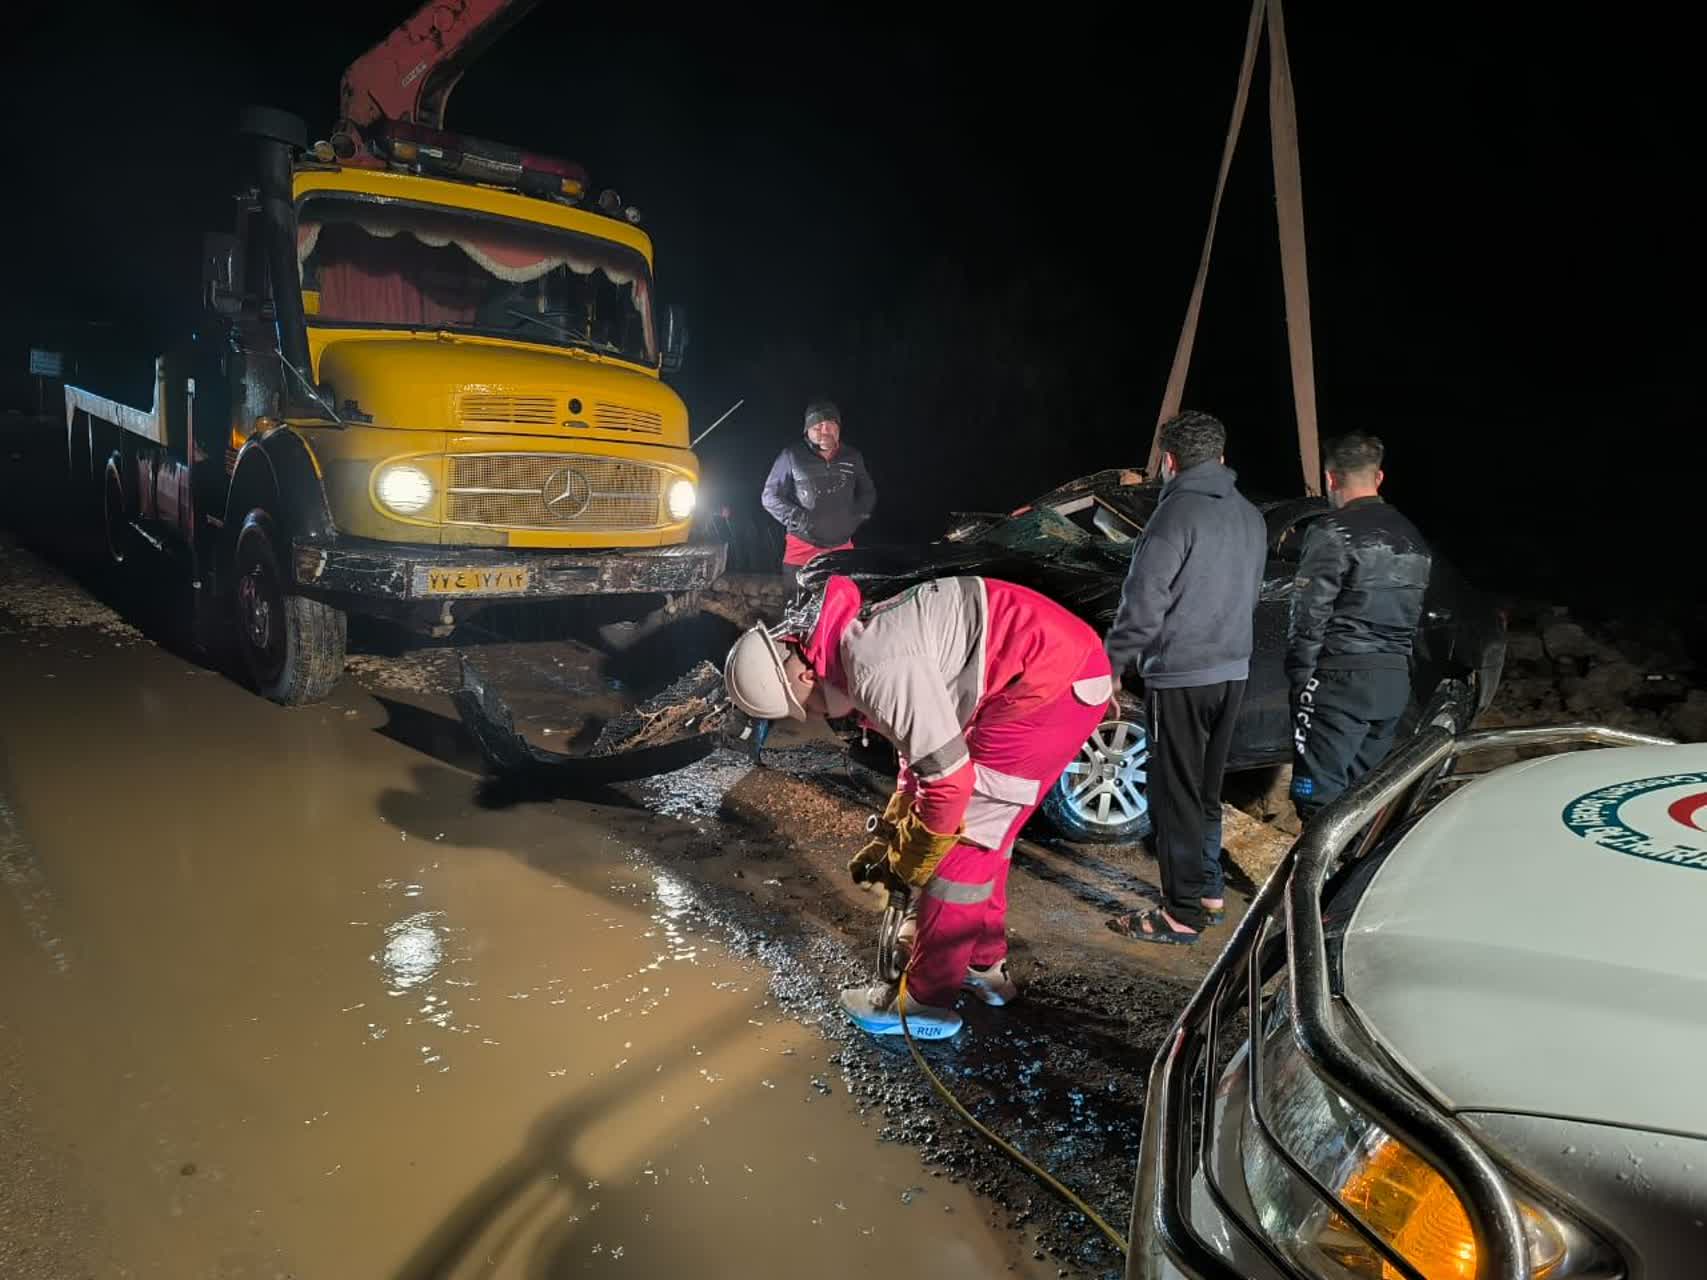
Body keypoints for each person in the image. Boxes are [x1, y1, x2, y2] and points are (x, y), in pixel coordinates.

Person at [721, 573, 1113, 1039]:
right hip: (1042, 671)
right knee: (988, 834)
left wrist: (915, 858)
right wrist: (897, 821)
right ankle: (981, 964)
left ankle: (925, 1004)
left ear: (805, 675)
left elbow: (949, 783)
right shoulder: (851, 644)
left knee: (966, 845)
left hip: (1048, 684)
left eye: (800, 706)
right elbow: (920, 748)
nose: (811, 716)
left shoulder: (875, 669)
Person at [1101, 411, 1266, 946]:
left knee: (1174, 796)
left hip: (1180, 677)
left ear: (1169, 461)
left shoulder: (1173, 517)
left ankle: (1181, 913)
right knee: (1206, 790)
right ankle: (1209, 891)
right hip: (1233, 672)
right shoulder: (1250, 516)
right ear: (1221, 457)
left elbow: (1143, 605)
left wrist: (1112, 664)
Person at [1286, 433, 1431, 821]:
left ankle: (1319, 861)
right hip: (1392, 683)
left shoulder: (1332, 531)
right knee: (1362, 798)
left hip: (1339, 680)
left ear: (1331, 478)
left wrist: (1301, 679)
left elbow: (1308, 613)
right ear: (1379, 477)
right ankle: (1356, 858)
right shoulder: (1413, 538)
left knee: (1316, 798)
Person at [760, 400, 877, 575]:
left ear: (838, 428)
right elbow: (769, 497)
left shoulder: (852, 456)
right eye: (818, 426)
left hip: (842, 548)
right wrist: (800, 519)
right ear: (807, 430)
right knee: (795, 593)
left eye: (830, 424)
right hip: (802, 548)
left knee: (845, 593)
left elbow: (868, 493)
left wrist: (856, 517)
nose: (825, 430)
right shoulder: (792, 455)